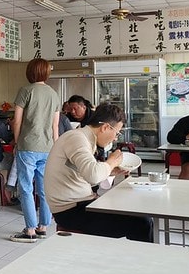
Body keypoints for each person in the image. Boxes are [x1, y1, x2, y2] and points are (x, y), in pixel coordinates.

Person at [44, 103, 153, 242]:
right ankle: (144, 262)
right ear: (106, 127)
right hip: (70, 211)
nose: (115, 138)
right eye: (117, 133)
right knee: (141, 222)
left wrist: (110, 171)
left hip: (81, 204)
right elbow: (93, 175)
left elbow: (84, 173)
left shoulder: (83, 138)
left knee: (136, 209)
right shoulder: (77, 139)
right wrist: (112, 161)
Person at [10, 58, 60, 242]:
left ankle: (30, 229)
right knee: (44, 188)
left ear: (29, 72)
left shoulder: (25, 91)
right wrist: (56, 149)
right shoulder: (54, 94)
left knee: (25, 187)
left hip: (28, 147)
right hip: (48, 148)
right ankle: (43, 226)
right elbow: (55, 127)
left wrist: (17, 142)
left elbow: (17, 121)